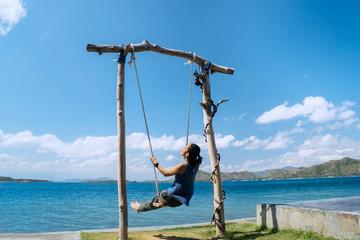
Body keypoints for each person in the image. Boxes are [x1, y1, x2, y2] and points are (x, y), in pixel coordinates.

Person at [130, 143, 202, 212]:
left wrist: (155, 162)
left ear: (187, 154)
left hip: (170, 198)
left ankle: (138, 208)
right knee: (158, 200)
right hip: (181, 201)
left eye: (185, 147)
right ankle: (141, 207)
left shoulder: (182, 166)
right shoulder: (196, 166)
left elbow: (165, 173)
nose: (183, 147)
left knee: (157, 199)